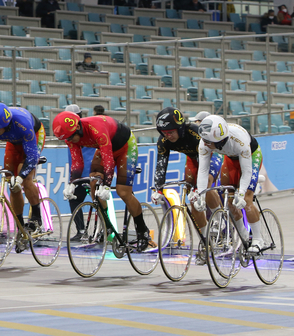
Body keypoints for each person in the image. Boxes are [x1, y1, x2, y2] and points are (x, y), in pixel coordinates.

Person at [53, 110, 152, 250]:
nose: (69, 140)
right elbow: (77, 162)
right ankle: (107, 227)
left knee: (123, 192)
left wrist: (106, 186)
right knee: (94, 183)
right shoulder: (69, 136)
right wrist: (72, 183)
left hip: (126, 148)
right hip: (105, 148)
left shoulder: (96, 129)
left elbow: (108, 161)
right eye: (66, 138)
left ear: (78, 127)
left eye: (70, 137)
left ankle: (142, 231)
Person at [150, 107, 223, 264]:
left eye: (171, 132)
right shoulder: (163, 141)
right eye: (164, 132)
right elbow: (161, 165)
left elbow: (204, 164)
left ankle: (219, 218)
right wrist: (158, 189)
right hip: (192, 159)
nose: (167, 135)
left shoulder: (194, 132)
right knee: (193, 201)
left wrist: (199, 188)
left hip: (210, 156)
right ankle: (206, 241)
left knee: (206, 183)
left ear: (180, 127)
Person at [191, 115, 266, 254]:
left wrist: (241, 193)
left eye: (208, 141)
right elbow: (203, 170)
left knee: (246, 200)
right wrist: (201, 195)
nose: (204, 144)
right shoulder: (205, 141)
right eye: (204, 140)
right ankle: (243, 236)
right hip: (230, 158)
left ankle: (258, 239)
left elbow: (247, 171)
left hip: (251, 156)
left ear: (220, 140)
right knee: (229, 200)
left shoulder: (240, 141)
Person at [0, 103, 46, 243]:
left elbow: (32, 157)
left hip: (33, 135)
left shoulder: (22, 123)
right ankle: (20, 227)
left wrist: (21, 177)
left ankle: (36, 218)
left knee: (25, 179)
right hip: (13, 141)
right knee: (11, 183)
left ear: (6, 123)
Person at [63, 104, 90, 240]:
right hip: (81, 174)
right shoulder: (70, 133)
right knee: (74, 199)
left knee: (100, 201)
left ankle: (82, 231)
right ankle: (82, 231)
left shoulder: (85, 130)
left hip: (89, 173)